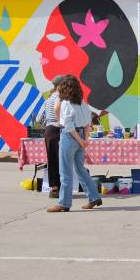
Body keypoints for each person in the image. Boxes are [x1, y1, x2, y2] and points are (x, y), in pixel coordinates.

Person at [47, 75, 102, 212]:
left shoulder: (66, 103)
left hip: (70, 137)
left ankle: (64, 203)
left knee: (65, 171)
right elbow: (88, 123)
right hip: (81, 137)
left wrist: (79, 140)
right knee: (80, 169)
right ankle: (94, 197)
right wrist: (85, 140)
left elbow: (68, 126)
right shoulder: (83, 104)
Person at [40, 75, 67, 198]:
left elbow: (39, 118)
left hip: (48, 130)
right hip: (57, 130)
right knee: (61, 160)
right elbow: (59, 111)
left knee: (52, 159)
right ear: (60, 85)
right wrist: (60, 122)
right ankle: (62, 188)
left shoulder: (49, 97)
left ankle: (54, 188)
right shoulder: (59, 97)